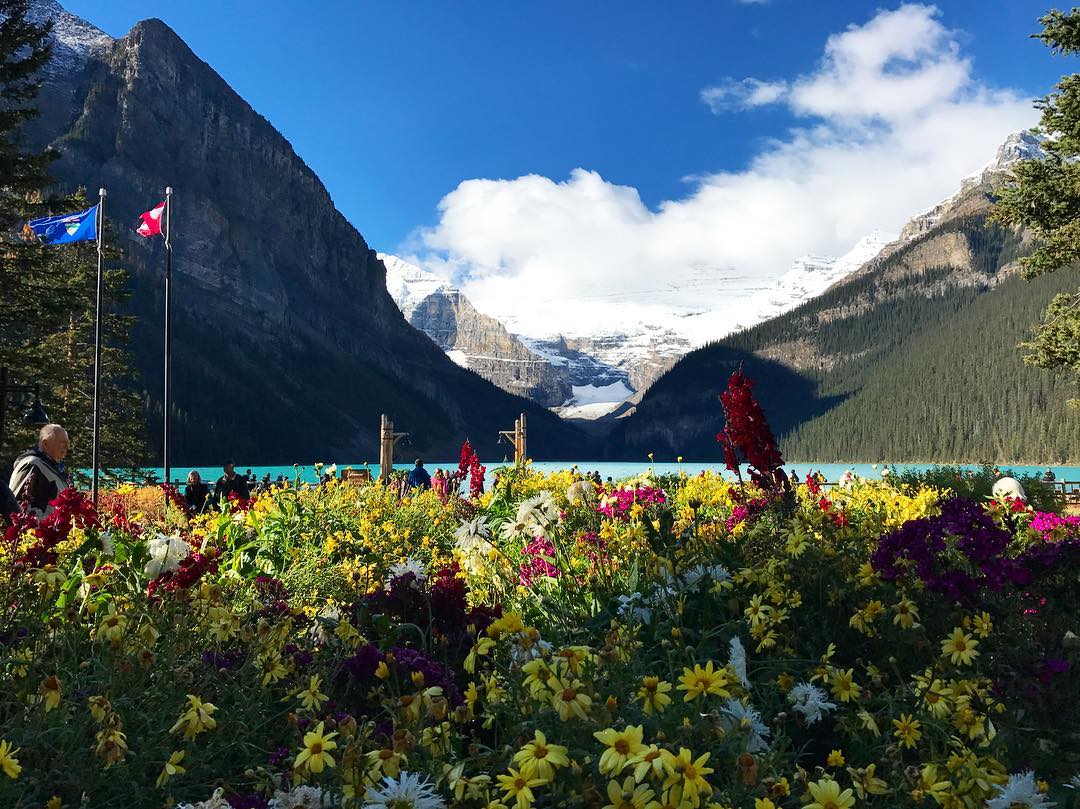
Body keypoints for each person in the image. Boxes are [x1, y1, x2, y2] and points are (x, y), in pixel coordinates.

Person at [8, 423, 71, 517]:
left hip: (55, 530)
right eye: (62, 442)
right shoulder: (32, 465)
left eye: (67, 442)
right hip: (36, 530)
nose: (66, 447)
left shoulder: (55, 469)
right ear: (45, 444)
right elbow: (16, 506)